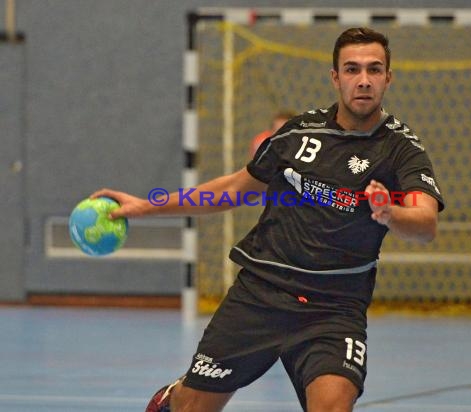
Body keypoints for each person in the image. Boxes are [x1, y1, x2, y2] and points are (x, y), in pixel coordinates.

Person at [92, 27, 445, 412]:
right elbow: (232, 189)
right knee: (192, 407)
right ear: (335, 77)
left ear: (388, 78)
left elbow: (425, 223)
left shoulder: (401, 150)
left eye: (374, 70)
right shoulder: (298, 133)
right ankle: (176, 395)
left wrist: (391, 213)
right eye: (352, 69)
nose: (363, 80)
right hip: (261, 293)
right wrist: (147, 206)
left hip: (334, 308)